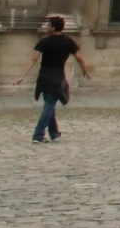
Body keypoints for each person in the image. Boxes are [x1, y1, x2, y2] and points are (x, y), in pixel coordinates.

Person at [14, 14, 90, 144]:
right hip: (57, 77)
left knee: (49, 105)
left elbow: (33, 59)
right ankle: (38, 135)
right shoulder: (68, 41)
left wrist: (22, 75)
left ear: (53, 27)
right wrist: (85, 71)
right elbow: (79, 58)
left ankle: (54, 133)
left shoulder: (44, 42)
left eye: (48, 24)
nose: (47, 26)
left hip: (44, 77)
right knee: (49, 106)